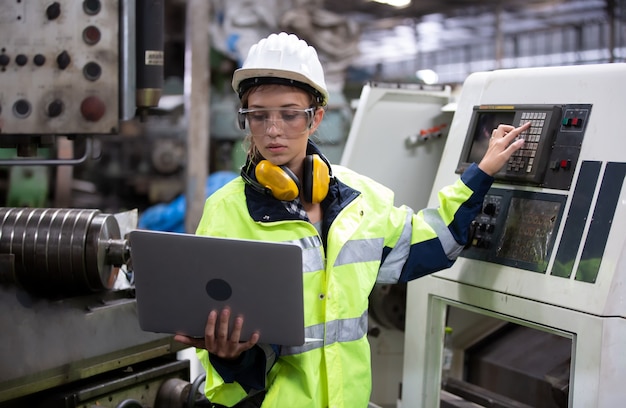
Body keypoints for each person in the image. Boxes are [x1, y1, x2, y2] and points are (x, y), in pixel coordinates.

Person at [174, 32, 530, 408]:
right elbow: (212, 326)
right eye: (258, 115)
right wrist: (228, 354)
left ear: (316, 118)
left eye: (290, 114)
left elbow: (435, 242)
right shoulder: (226, 211)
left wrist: (482, 172)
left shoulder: (360, 200)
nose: (273, 129)